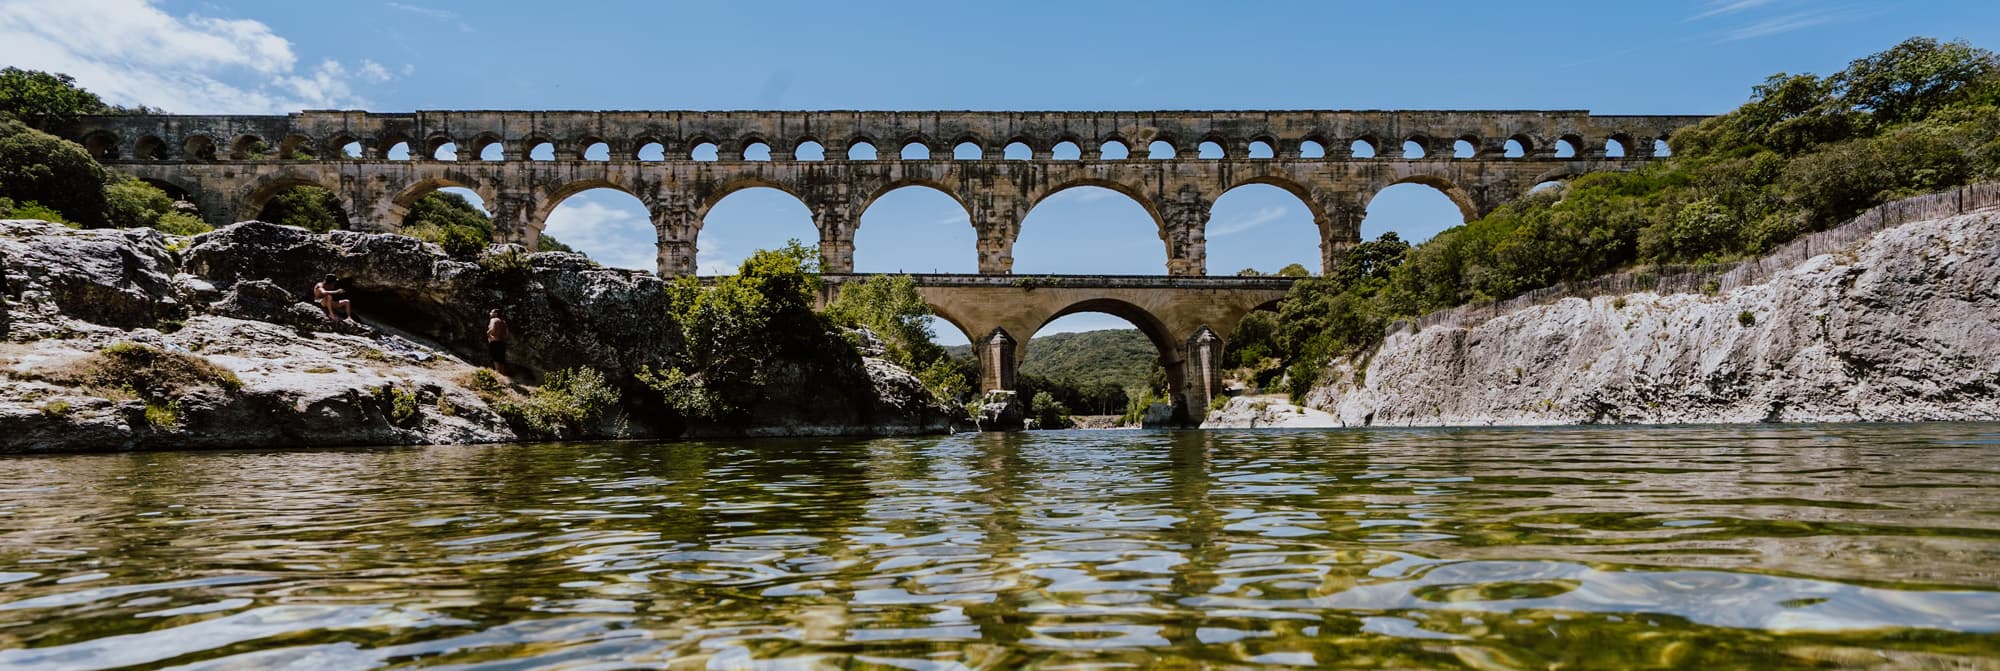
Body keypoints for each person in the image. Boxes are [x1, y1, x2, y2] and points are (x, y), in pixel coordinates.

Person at [486, 308, 510, 375]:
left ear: (496, 314)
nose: (490, 313)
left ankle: (497, 375)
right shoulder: (504, 322)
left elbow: (492, 328)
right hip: (503, 342)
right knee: (501, 360)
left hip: (495, 341)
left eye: (491, 312)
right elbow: (507, 333)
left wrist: (488, 335)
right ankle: (502, 375)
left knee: (495, 359)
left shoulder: (493, 320)